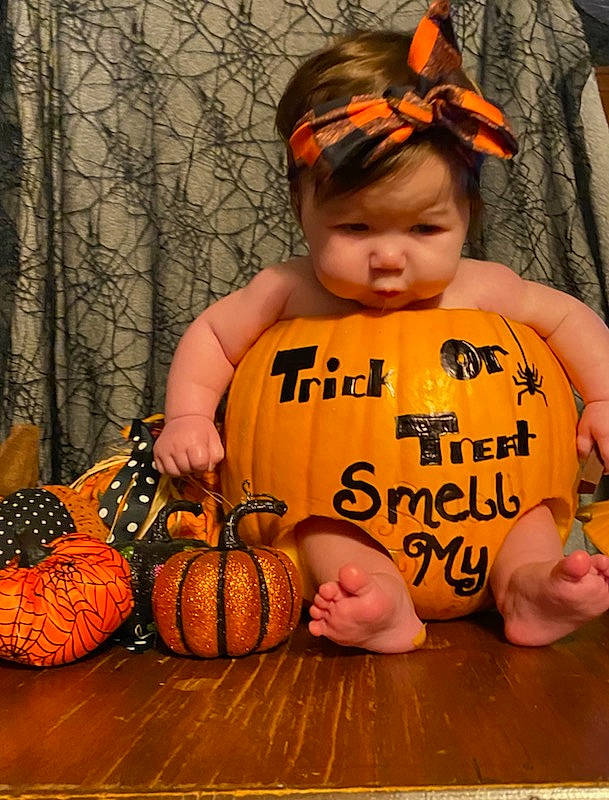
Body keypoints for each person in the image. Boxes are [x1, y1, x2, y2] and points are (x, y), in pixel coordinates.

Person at [154, 0, 609, 654]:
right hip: (337, 500)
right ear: (301, 208)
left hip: (492, 494)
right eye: (355, 227)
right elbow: (213, 337)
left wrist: (601, 397)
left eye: (425, 228)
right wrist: (189, 417)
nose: (389, 257)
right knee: (320, 530)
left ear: (467, 213)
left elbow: (569, 317)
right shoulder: (289, 290)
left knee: (528, 515)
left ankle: (525, 587)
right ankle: (379, 599)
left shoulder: (485, 288)